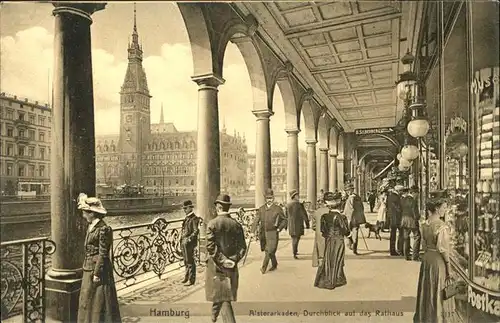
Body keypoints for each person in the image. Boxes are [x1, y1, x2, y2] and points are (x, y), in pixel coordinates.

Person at [77, 193, 121, 323]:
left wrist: (97, 273)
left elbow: (103, 253)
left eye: (85, 212)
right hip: (88, 267)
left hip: (98, 270)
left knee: (98, 301)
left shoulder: (103, 229)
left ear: (92, 213)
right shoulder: (92, 227)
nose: (83, 215)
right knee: (87, 299)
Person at [205, 194, 247, 323]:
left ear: (218, 207)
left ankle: (217, 315)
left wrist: (223, 260)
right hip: (232, 268)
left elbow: (211, 247)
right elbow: (242, 248)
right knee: (224, 294)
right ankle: (214, 314)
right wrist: (233, 260)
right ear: (228, 207)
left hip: (217, 267)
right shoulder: (236, 225)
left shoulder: (212, 224)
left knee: (223, 296)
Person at [414, 198, 456, 322]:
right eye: (443, 207)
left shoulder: (425, 224)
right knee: (438, 288)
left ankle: (425, 317)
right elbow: (443, 249)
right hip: (438, 260)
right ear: (437, 209)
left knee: (427, 288)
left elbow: (423, 244)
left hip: (427, 259)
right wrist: (448, 268)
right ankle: (437, 318)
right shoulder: (441, 226)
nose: (445, 210)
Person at [314, 192, 350, 290]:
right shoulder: (340, 217)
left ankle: (329, 279)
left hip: (329, 240)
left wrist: (329, 236)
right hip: (338, 240)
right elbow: (345, 230)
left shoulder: (324, 216)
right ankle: (336, 279)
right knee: (338, 259)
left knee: (329, 259)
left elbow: (323, 231)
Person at [251, 189, 287, 274]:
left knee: (269, 250)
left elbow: (284, 220)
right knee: (269, 251)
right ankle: (274, 264)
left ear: (273, 198)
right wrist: (252, 231)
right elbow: (256, 220)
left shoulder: (278, 209)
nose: (269, 200)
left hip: (273, 233)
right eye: (267, 198)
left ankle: (263, 268)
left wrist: (279, 228)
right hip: (263, 233)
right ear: (265, 199)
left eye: (271, 198)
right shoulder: (261, 209)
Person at [180, 200, 201, 286]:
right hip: (184, 243)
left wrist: (189, 239)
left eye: (185, 208)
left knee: (190, 261)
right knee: (185, 260)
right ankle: (186, 276)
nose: (184, 210)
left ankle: (191, 279)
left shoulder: (194, 219)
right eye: (184, 208)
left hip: (189, 243)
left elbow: (196, 231)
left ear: (190, 208)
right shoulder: (187, 218)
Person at [285, 189, 310, 259]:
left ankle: (295, 251)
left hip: (291, 224)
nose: (298, 196)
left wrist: (285, 226)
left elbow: (285, 216)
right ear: (294, 196)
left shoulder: (288, 205)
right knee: (296, 238)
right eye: (297, 195)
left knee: (294, 238)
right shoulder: (299, 205)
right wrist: (307, 223)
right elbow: (304, 215)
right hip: (298, 224)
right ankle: (294, 252)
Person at [343, 183, 366, 255]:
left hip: (350, 218)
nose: (347, 192)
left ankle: (351, 244)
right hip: (357, 219)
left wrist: (346, 216)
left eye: (348, 190)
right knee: (355, 233)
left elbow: (350, 209)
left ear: (351, 190)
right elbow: (362, 208)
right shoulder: (358, 197)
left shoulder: (350, 198)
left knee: (346, 232)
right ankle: (354, 248)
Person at [400, 187, 421, 261]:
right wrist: (418, 218)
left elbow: (400, 210)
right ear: (414, 193)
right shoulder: (413, 201)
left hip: (404, 220)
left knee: (406, 237)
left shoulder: (403, 199)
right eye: (417, 193)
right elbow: (415, 212)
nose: (418, 195)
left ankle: (406, 255)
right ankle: (415, 256)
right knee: (417, 236)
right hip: (411, 220)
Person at [311, 194, 329, 268]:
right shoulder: (331, 211)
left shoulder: (316, 212)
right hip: (329, 235)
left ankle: (321, 265)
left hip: (319, 235)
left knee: (320, 252)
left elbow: (313, 226)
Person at [387, 185, 404, 256]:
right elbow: (398, 208)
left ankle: (392, 250)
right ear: (398, 191)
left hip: (391, 218)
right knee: (401, 234)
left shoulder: (390, 196)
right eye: (401, 191)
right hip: (397, 218)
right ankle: (400, 249)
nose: (402, 192)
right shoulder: (397, 197)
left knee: (393, 235)